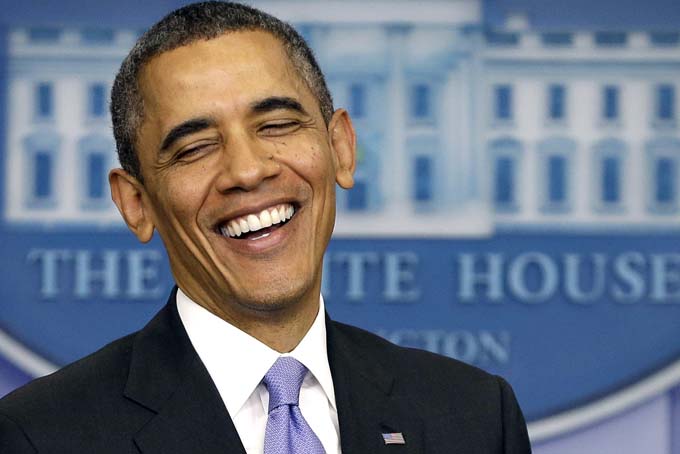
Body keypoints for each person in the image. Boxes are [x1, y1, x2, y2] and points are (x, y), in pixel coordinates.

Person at [0, 2, 531, 453]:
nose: (249, 170)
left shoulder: (476, 417)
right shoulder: (38, 436)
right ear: (136, 204)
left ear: (341, 148)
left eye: (276, 125)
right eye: (195, 148)